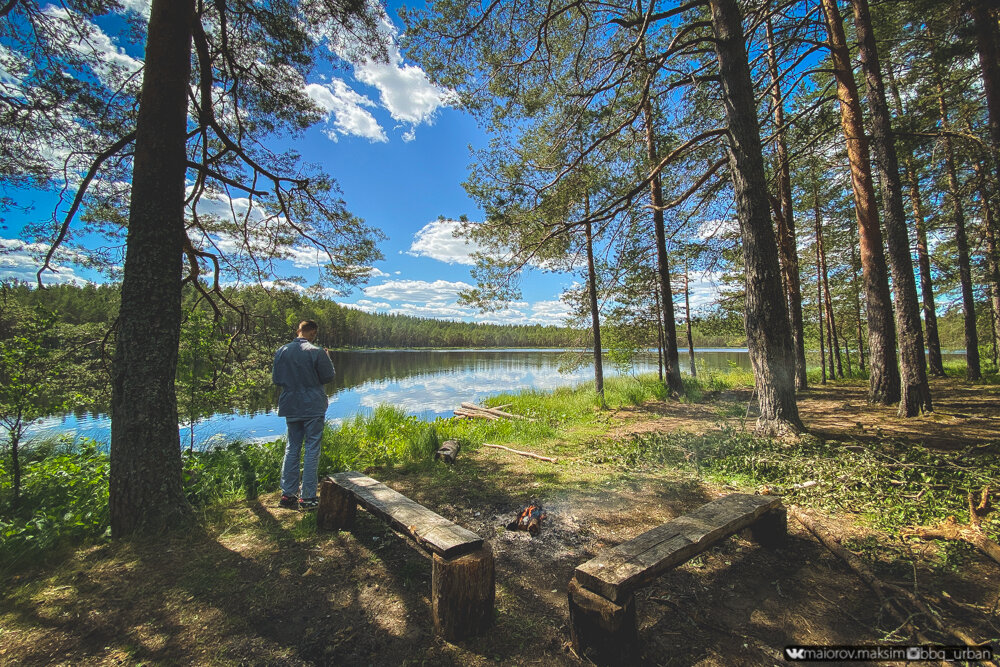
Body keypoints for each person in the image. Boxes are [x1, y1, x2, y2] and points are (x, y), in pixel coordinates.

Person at [272, 320, 336, 510]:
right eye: (314, 334)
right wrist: (327, 357)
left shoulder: (282, 351)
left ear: (298, 330)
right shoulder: (316, 352)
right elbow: (328, 377)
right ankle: (307, 497)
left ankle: (288, 495)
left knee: (292, 447)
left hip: (291, 405)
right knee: (312, 448)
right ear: (313, 333)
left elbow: (277, 379)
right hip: (312, 406)